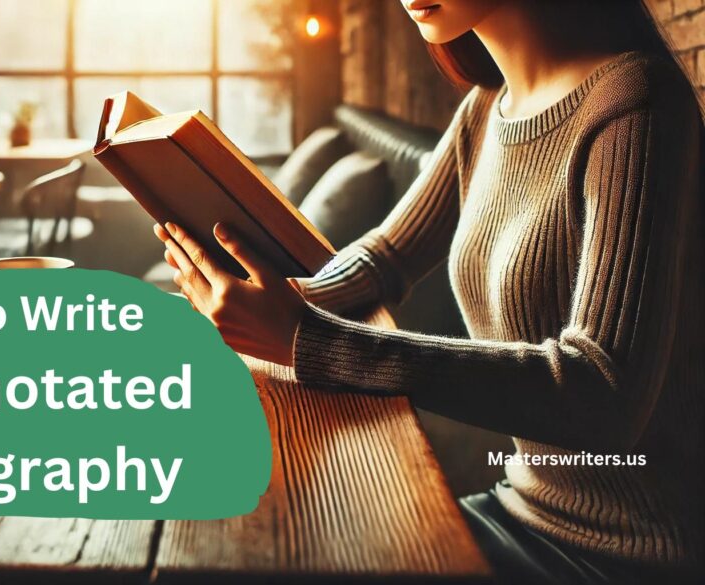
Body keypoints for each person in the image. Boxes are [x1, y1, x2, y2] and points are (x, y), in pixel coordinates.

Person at [154, 1, 704, 583]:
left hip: (635, 554)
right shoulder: (487, 109)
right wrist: (284, 299)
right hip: (520, 507)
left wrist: (305, 339)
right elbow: (386, 255)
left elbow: (604, 392)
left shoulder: (635, 103)